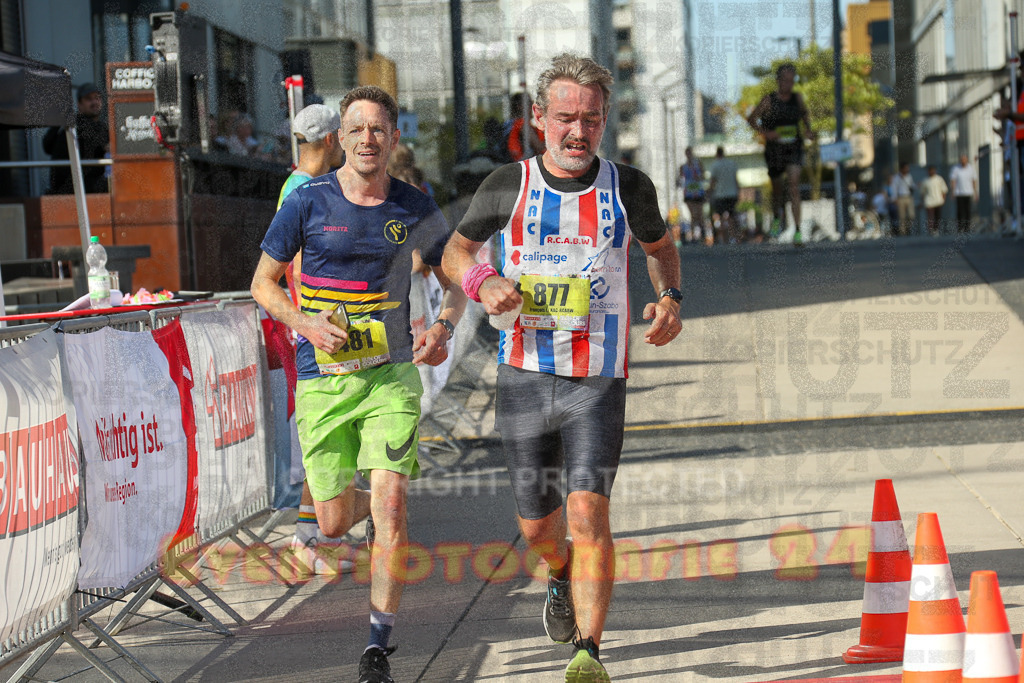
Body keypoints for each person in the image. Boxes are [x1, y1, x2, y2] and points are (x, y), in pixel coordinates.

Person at [442, 53, 682, 682]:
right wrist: (482, 281)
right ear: (541, 119)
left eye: (593, 120)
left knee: (588, 514)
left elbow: (661, 251)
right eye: (568, 118)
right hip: (523, 370)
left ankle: (590, 653)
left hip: (599, 374)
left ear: (605, 121)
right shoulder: (507, 183)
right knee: (538, 529)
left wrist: (670, 298)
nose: (580, 132)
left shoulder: (629, 186)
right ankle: (559, 573)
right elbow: (455, 251)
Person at [251, 85, 466, 683]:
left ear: (394, 139)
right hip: (323, 377)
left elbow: (456, 280)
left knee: (392, 504)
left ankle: (377, 645)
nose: (368, 138)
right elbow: (263, 284)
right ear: (339, 138)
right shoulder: (307, 201)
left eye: (379, 129)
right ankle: (353, 517)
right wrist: (304, 323)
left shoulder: (414, 206)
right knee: (331, 523)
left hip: (391, 375)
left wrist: (443, 326)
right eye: (357, 129)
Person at [271, 103, 349, 574]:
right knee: (325, 443)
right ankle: (307, 540)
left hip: (318, 327)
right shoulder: (304, 190)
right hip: (317, 331)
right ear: (330, 140)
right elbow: (291, 264)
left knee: (332, 443)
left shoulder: (297, 184)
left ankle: (316, 537)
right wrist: (308, 319)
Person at [746, 63, 813, 244]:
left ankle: (797, 230)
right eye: (785, 80)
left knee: (793, 186)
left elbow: (805, 116)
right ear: (778, 81)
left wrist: (808, 130)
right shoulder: (769, 100)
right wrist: (766, 133)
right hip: (775, 150)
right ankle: (777, 216)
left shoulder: (797, 99)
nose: (788, 84)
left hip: (794, 148)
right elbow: (751, 120)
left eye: (792, 81)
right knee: (777, 190)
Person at [42, 83, 109, 194]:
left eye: (97, 98)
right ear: (79, 104)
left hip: (80, 189)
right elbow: (47, 146)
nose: (94, 102)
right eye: (88, 99)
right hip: (74, 191)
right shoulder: (75, 125)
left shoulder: (98, 127)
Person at [708, 146, 739, 244]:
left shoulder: (715, 165)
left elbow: (713, 181)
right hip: (732, 193)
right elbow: (736, 179)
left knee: (721, 218)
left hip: (720, 195)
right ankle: (735, 238)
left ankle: (725, 240)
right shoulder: (732, 164)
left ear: (717, 154)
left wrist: (709, 192)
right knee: (732, 217)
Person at [678, 148, 708, 245]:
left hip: (698, 192)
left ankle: (702, 235)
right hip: (689, 193)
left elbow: (703, 176)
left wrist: (698, 177)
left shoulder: (698, 164)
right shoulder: (683, 167)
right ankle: (693, 237)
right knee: (693, 215)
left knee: (699, 215)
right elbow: (679, 179)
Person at [949, 154, 978, 234]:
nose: (963, 161)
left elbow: (974, 180)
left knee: (968, 210)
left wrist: (975, 192)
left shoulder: (971, 168)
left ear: (967, 160)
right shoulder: (956, 169)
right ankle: (960, 227)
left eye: (964, 159)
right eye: (962, 159)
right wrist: (953, 191)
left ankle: (967, 227)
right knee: (960, 211)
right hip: (959, 193)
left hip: (968, 192)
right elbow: (953, 180)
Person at [920, 165, 948, 236]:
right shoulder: (925, 180)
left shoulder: (939, 179)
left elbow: (944, 190)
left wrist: (943, 199)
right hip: (929, 201)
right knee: (930, 216)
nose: (931, 172)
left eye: (933, 170)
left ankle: (936, 229)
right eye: (930, 170)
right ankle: (931, 230)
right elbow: (922, 192)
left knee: (937, 216)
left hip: (938, 200)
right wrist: (922, 201)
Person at [892, 162, 916, 236]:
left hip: (908, 197)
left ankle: (908, 228)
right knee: (902, 216)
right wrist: (894, 198)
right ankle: (903, 232)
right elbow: (894, 188)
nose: (907, 169)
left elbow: (912, 185)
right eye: (906, 168)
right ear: (901, 169)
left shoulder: (909, 176)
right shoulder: (896, 177)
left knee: (911, 215)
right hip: (900, 197)